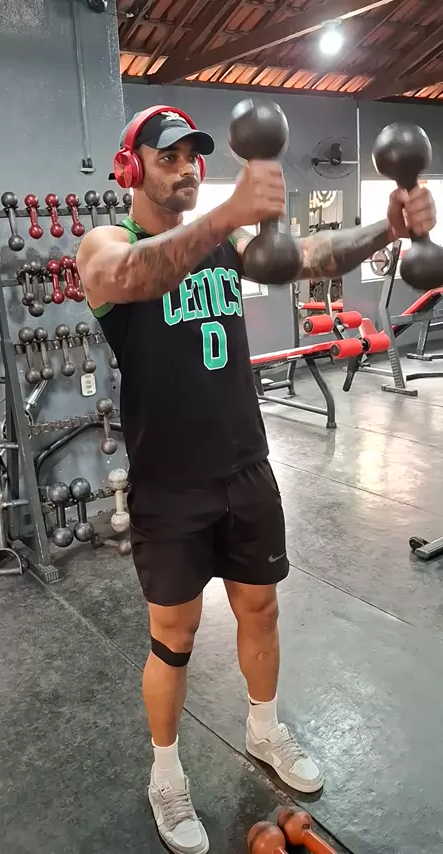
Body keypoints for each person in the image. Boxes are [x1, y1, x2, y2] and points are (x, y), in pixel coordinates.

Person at [77, 107, 436, 854]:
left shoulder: (228, 244)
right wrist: (226, 214)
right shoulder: (109, 242)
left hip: (245, 465)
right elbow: (124, 277)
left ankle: (264, 729)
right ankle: (166, 774)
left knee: (261, 609)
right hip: (170, 484)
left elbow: (307, 255)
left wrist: (388, 230)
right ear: (132, 167)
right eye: (169, 157)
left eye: (194, 157)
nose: (187, 169)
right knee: (173, 638)